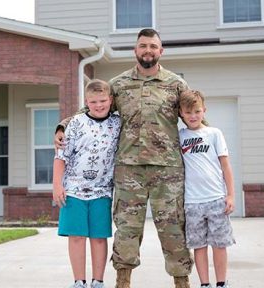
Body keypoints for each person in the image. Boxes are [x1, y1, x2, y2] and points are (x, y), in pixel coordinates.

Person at [55, 29, 193, 288]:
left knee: (173, 228)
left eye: (153, 46)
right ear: (135, 50)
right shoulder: (118, 85)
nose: (148, 50)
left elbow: (194, 116)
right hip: (130, 172)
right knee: (127, 230)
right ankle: (123, 282)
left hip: (168, 171)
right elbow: (91, 110)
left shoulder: (176, 84)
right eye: (143, 46)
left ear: (160, 51)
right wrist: (63, 127)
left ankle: (182, 282)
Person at [53, 79, 121, 288]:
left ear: (110, 100)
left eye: (103, 100)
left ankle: (98, 281)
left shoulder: (118, 124)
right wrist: (57, 185)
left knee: (99, 237)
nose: (99, 105)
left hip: (102, 191)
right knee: (76, 237)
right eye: (93, 101)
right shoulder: (75, 123)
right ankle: (79, 281)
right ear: (86, 102)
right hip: (73, 190)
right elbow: (61, 156)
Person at [178, 90, 236, 288]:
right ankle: (205, 284)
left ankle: (221, 283)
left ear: (204, 110)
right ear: (181, 114)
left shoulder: (214, 134)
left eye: (196, 111)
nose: (193, 116)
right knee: (199, 246)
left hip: (216, 199)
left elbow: (226, 166)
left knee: (219, 245)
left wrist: (230, 195)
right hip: (192, 202)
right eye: (188, 112)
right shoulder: (180, 137)